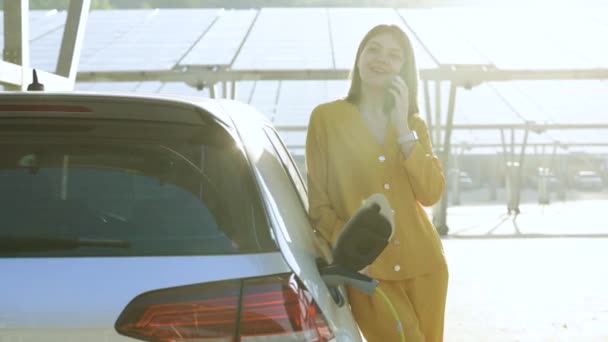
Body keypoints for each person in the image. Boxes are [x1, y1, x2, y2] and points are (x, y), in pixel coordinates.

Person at [305, 24, 449, 342]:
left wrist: (402, 129)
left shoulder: (413, 124)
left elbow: (431, 193)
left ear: (404, 69)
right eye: (373, 49)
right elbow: (319, 206)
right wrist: (355, 254)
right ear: (359, 58)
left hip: (425, 265)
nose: (381, 59)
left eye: (394, 55)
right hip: (367, 271)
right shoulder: (326, 119)